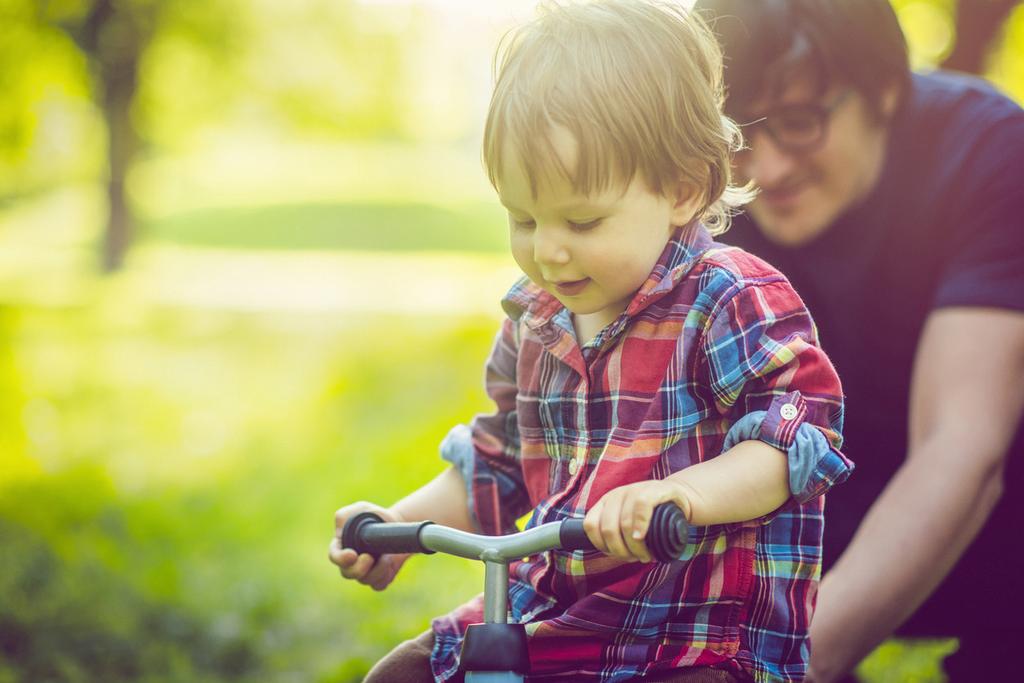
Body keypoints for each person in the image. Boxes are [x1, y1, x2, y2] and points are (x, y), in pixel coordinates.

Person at [329, 2, 853, 681]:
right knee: (398, 675)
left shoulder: (729, 297)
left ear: (681, 189)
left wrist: (682, 496)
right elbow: (495, 464)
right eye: (523, 216)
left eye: (581, 219)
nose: (546, 250)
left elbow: (791, 445)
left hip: (691, 637)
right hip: (557, 617)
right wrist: (397, 524)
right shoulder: (534, 319)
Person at [691, 1, 1024, 680]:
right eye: (742, 134)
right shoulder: (709, 192)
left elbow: (962, 447)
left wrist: (794, 663)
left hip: (998, 534)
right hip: (805, 508)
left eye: (798, 123)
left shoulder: (990, 150)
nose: (769, 169)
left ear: (883, 90)